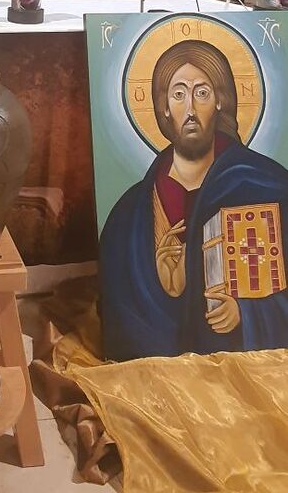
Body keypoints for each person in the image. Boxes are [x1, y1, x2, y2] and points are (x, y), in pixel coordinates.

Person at [100, 39, 288, 361]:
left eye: (201, 93)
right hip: (162, 376)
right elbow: (119, 314)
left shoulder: (265, 185)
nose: (189, 109)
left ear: (220, 101)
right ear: (163, 106)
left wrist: (247, 313)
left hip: (248, 369)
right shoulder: (129, 215)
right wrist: (163, 288)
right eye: (178, 94)